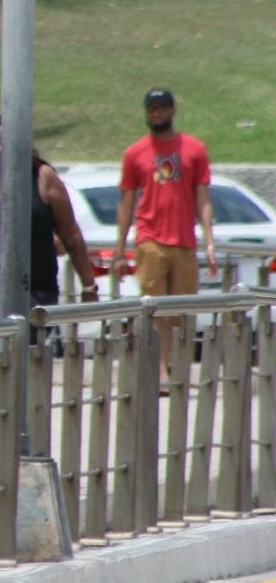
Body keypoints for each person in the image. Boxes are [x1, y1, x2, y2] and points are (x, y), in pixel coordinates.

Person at [0, 114, 99, 320]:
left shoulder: (43, 177)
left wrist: (89, 285)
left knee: (25, 346)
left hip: (34, 290)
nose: (0, 149)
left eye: (7, 142)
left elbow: (71, 235)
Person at [116, 89, 215, 382]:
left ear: (173, 111)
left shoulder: (194, 149)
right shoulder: (135, 153)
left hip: (184, 240)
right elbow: (126, 203)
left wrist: (209, 244)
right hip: (149, 238)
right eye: (151, 109)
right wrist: (119, 251)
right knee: (154, 308)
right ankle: (157, 371)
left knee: (180, 313)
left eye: (160, 108)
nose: (155, 114)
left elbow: (203, 199)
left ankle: (169, 366)